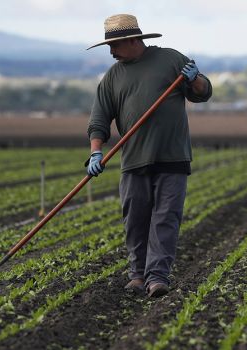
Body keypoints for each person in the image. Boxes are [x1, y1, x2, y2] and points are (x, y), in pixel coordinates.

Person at [85, 14, 212, 297]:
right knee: (135, 219)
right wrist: (96, 153)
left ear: (133, 40)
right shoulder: (113, 77)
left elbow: (202, 93)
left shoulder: (170, 60)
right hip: (133, 160)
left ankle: (157, 277)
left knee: (166, 218)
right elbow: (99, 120)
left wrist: (196, 79)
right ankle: (137, 276)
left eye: (115, 45)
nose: (111, 51)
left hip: (173, 156)